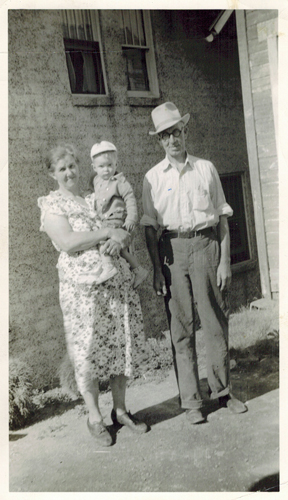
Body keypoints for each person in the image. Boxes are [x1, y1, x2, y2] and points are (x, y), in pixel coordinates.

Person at [141, 102, 247, 425]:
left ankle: (223, 392)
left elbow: (223, 217)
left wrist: (225, 260)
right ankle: (190, 402)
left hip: (206, 245)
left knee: (215, 322)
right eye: (165, 135)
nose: (172, 139)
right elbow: (148, 227)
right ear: (159, 141)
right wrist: (158, 269)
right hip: (171, 251)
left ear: (185, 132)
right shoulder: (152, 178)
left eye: (176, 131)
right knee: (181, 328)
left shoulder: (206, 168)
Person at [38, 143, 148, 446]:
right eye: (62, 168)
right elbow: (69, 242)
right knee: (87, 351)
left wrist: (120, 242)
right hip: (83, 295)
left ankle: (121, 410)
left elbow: (119, 226)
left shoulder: (91, 199)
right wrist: (106, 233)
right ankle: (94, 417)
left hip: (115, 286)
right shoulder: (52, 205)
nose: (69, 172)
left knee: (118, 347)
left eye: (72, 165)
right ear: (52, 174)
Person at [78, 141, 148, 289]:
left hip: (116, 218)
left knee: (103, 240)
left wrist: (131, 219)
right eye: (101, 166)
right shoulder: (96, 181)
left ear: (116, 164)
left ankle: (108, 266)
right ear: (94, 167)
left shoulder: (120, 182)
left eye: (110, 165)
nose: (106, 170)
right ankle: (138, 269)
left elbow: (130, 199)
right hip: (104, 218)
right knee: (121, 250)